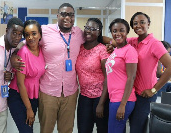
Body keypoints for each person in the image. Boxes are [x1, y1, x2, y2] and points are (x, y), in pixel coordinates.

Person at [11, 3, 115, 133]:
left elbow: (96, 36)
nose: (67, 18)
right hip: (48, 91)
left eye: (71, 15)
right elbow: (25, 41)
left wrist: (112, 43)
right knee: (46, 129)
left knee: (66, 130)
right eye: (64, 14)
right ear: (57, 16)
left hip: (70, 93)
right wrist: (14, 54)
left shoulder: (78, 33)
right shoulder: (45, 30)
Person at [127, 12, 171, 133]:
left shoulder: (154, 43)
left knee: (137, 129)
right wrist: (109, 44)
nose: (138, 25)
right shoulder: (132, 41)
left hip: (145, 96)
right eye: (135, 23)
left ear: (148, 24)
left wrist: (154, 90)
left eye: (142, 22)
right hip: (132, 94)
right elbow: (114, 40)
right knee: (132, 126)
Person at [96, 18, 138, 133]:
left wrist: (123, 105)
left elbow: (131, 78)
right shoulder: (116, 50)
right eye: (114, 31)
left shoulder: (130, 51)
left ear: (127, 32)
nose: (118, 34)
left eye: (121, 30)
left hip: (123, 100)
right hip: (114, 98)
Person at [7, 20, 45, 133]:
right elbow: (20, 83)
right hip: (18, 96)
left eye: (34, 33)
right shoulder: (23, 52)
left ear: (40, 35)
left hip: (33, 97)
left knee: (29, 129)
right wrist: (29, 108)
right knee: (26, 130)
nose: (30, 37)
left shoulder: (41, 50)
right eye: (27, 35)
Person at [76, 18, 109, 133]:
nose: (89, 31)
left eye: (93, 29)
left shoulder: (103, 50)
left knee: (102, 129)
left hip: (100, 97)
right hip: (84, 96)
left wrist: (101, 104)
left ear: (99, 32)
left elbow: (108, 79)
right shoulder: (79, 48)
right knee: (83, 129)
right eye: (87, 28)